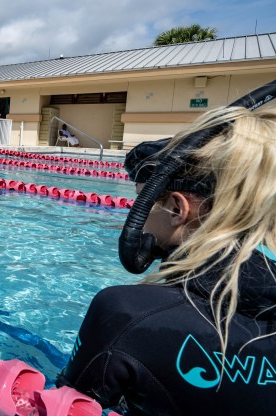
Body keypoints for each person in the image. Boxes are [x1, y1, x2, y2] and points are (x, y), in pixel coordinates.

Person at [57, 104, 276, 415]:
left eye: (141, 202)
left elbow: (63, 406)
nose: (139, 219)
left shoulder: (128, 314)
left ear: (176, 209)